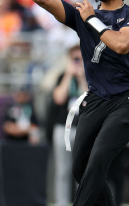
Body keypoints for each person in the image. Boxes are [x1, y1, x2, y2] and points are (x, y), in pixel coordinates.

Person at [0, 0, 129, 206]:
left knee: (97, 163)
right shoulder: (83, 16)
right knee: (80, 170)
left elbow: (120, 44)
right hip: (96, 99)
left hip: (128, 98)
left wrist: (91, 20)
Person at [46, 44, 88, 206]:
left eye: (79, 58)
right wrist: (69, 75)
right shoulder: (63, 76)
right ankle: (61, 202)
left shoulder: (89, 77)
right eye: (74, 59)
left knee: (82, 168)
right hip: (63, 127)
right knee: (62, 169)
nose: (77, 62)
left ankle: (83, 201)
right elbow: (59, 99)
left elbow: (89, 100)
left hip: (82, 127)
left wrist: (81, 77)